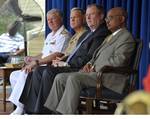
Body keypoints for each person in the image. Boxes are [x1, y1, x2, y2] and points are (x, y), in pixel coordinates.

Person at [19, 4, 110, 114]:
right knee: (38, 71)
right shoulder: (90, 33)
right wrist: (62, 61)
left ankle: (44, 112)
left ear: (101, 16)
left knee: (48, 71)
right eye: (87, 15)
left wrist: (66, 64)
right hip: (70, 64)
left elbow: (89, 57)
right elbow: (73, 54)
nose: (88, 18)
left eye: (92, 15)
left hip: (78, 68)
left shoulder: (101, 33)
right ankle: (31, 111)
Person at [44, 7, 136, 114]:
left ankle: (65, 114)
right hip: (95, 75)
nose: (107, 20)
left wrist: (94, 67)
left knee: (74, 78)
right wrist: (89, 63)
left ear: (121, 19)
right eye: (107, 18)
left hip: (108, 77)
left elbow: (119, 61)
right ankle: (52, 113)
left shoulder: (126, 37)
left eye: (111, 17)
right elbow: (96, 56)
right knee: (60, 78)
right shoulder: (109, 37)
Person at [9, 8, 71, 115]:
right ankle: (21, 106)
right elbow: (43, 53)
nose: (50, 22)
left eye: (53, 19)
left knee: (25, 74)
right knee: (14, 75)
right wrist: (31, 58)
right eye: (48, 20)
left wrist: (36, 63)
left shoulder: (64, 35)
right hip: (41, 64)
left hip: (49, 67)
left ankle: (21, 108)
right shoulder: (50, 35)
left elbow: (56, 55)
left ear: (60, 19)